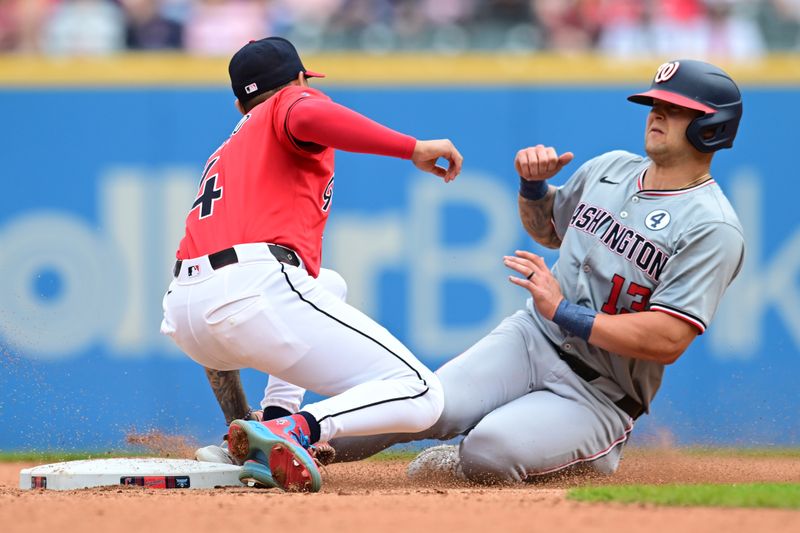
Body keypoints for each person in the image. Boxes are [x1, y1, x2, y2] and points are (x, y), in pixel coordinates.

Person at [324, 59, 746, 483]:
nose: (657, 113)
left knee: (488, 452)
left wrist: (564, 310)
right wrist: (534, 188)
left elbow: (669, 338)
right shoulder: (611, 168)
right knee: (428, 404)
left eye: (675, 109)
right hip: (533, 337)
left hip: (600, 393)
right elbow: (547, 230)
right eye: (655, 103)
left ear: (712, 126)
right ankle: (296, 440)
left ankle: (578, 452)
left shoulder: (713, 226)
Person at [161, 36, 463, 492]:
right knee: (422, 393)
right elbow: (306, 111)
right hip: (249, 289)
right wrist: (411, 147)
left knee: (329, 283)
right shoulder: (288, 103)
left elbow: (217, 299)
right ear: (298, 78)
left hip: (186, 312)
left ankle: (263, 429)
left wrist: (239, 423)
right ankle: (296, 429)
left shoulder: (229, 149)